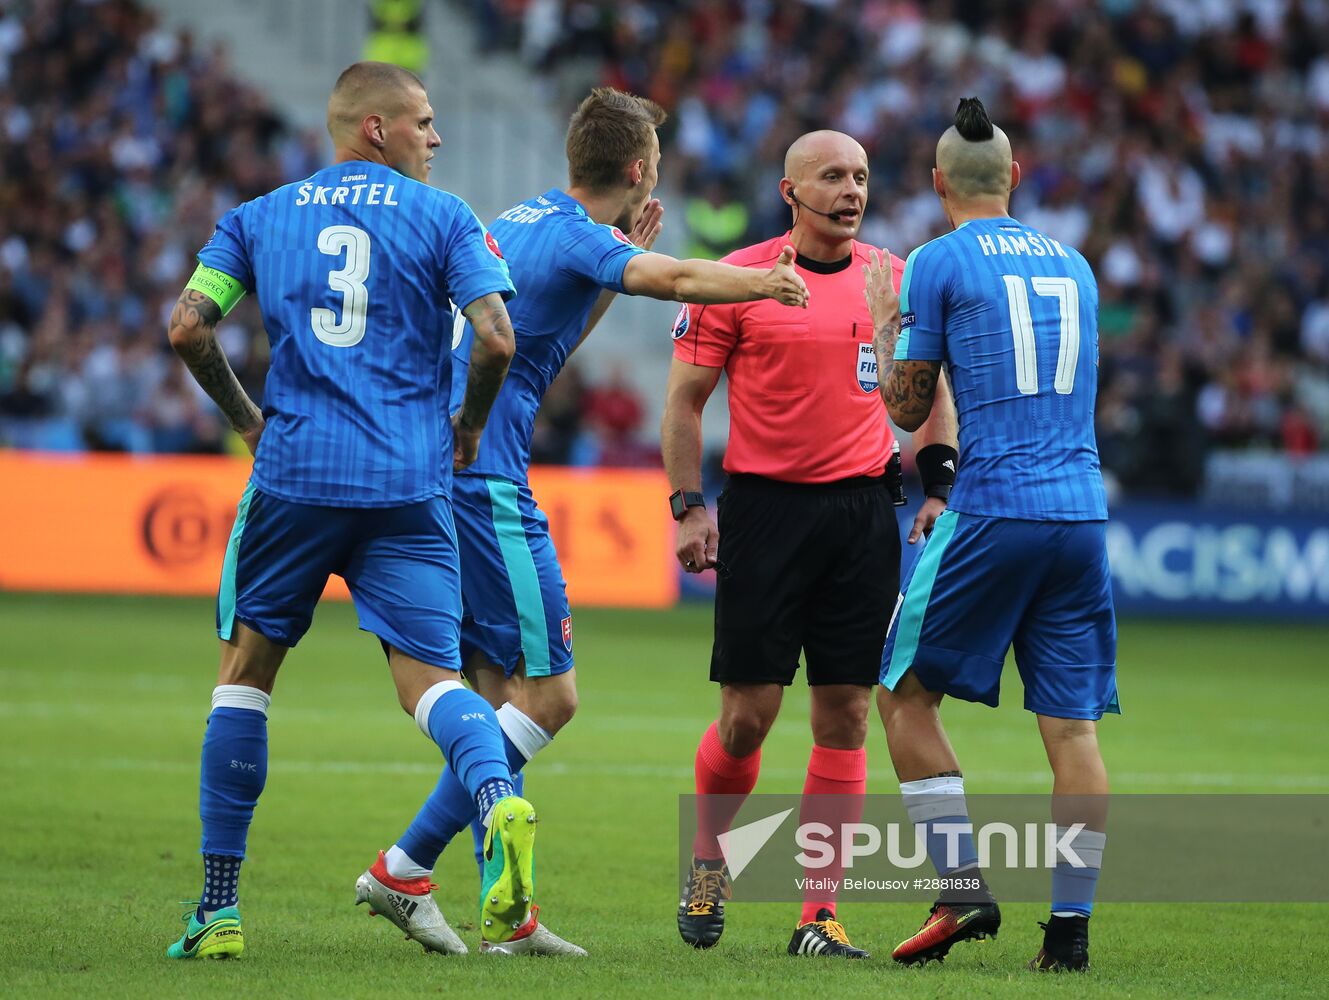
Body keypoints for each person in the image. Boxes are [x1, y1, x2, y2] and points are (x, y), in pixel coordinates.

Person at [362, 87, 810, 957]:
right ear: (640, 171)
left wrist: (618, 259)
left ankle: (505, 908)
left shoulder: (529, 216)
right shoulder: (576, 234)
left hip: (428, 464)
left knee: (497, 694)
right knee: (553, 696)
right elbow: (676, 280)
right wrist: (767, 279)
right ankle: (405, 864)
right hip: (481, 476)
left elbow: (551, 330)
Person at [163, 61, 532, 961]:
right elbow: (495, 337)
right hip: (407, 485)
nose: (436, 139)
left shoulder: (257, 217)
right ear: (376, 127)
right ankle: (495, 798)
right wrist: (469, 427)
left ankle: (217, 912)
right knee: (434, 684)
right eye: (424, 123)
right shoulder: (447, 219)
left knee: (244, 676)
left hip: (293, 477)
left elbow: (186, 324)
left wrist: (249, 421)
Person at [663, 129, 960, 958]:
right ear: (791, 191)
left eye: (860, 177)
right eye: (832, 176)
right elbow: (685, 402)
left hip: (864, 513)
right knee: (747, 719)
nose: (850, 190)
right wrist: (688, 507)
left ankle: (816, 916)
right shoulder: (741, 280)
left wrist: (937, 488)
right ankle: (708, 858)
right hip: (764, 513)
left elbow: (929, 393)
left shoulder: (893, 279)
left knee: (847, 715)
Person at [866, 98, 1116, 972]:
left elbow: (906, 406)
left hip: (996, 505)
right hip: (1081, 512)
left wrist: (884, 320)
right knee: (1073, 732)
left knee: (899, 691)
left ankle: (959, 889)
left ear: (938, 184)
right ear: (1014, 177)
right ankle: (1069, 936)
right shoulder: (1076, 266)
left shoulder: (935, 260)